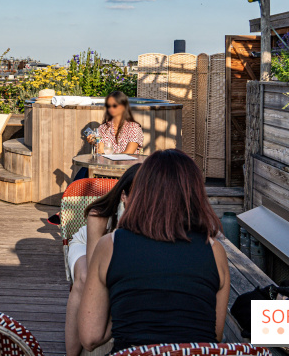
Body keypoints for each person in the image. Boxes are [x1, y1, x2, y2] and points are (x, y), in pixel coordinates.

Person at [78, 150, 229, 354]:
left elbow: (90, 338)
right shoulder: (215, 251)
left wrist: (125, 307)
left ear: (142, 191)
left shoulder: (110, 245)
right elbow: (214, 336)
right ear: (195, 195)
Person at [64, 165, 137, 356]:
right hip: (85, 244)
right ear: (123, 196)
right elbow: (95, 265)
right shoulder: (99, 214)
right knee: (85, 278)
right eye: (137, 197)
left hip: (113, 251)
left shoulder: (150, 215)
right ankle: (71, 353)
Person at [49, 90, 143, 225]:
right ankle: (69, 209)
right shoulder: (103, 128)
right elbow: (100, 153)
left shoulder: (134, 127)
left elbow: (129, 153)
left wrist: (107, 153)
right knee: (85, 169)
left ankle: (66, 209)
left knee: (84, 172)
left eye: (115, 105)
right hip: (104, 168)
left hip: (125, 170)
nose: (111, 109)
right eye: (109, 106)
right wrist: (95, 142)